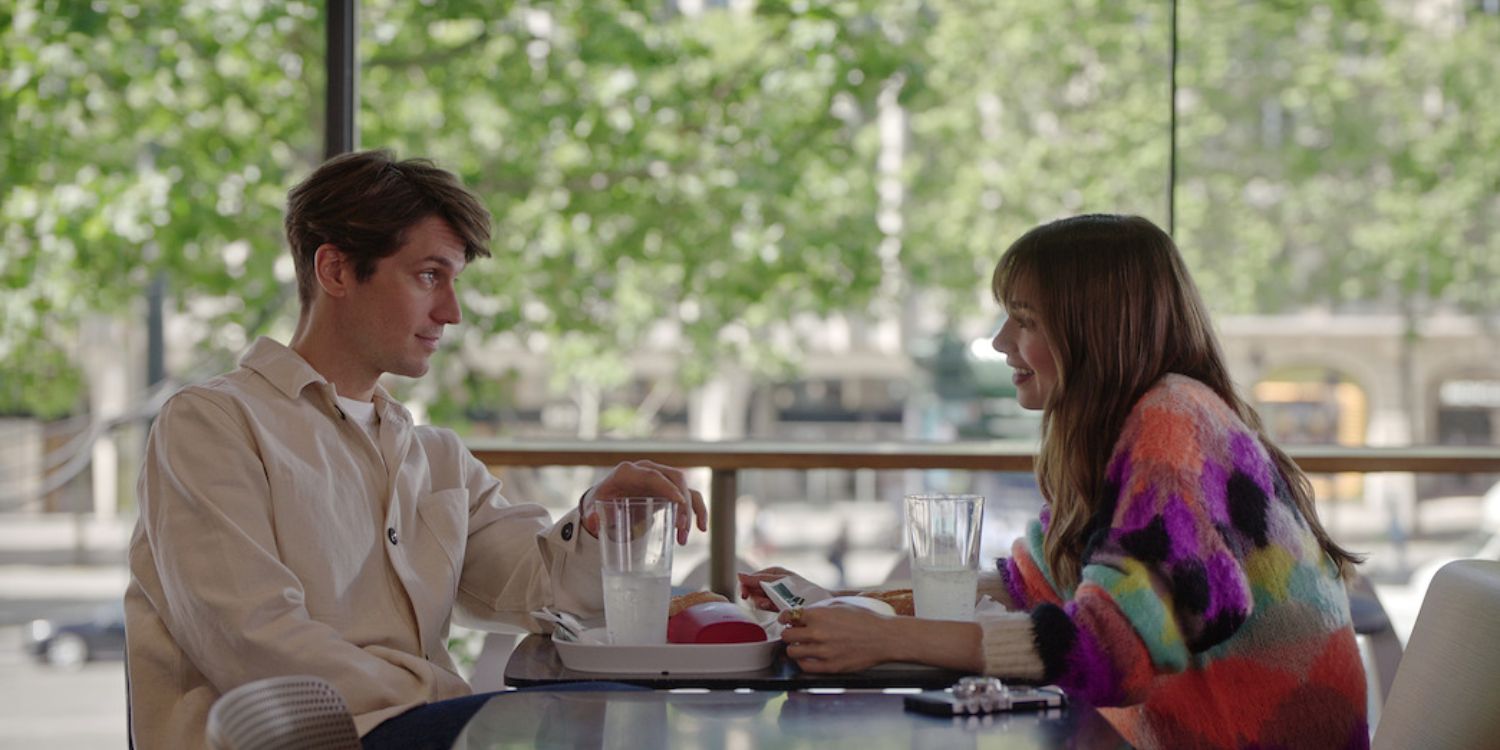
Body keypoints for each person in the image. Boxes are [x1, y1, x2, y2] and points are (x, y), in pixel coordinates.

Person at [124, 149, 708, 749]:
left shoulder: (435, 458)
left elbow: (544, 593)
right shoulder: (212, 424)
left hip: (423, 727)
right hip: (313, 738)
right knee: (612, 724)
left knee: (638, 713)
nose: (451, 312)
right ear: (337, 271)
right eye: (429, 275)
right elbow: (252, 638)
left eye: (454, 281)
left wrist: (598, 521)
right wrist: (450, 698)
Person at [742, 214, 1369, 749]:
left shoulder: (1173, 425)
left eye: (1026, 320)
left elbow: (1110, 651)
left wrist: (888, 638)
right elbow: (1029, 586)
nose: (998, 342)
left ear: (1095, 330)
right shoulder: (1146, 423)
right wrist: (841, 603)